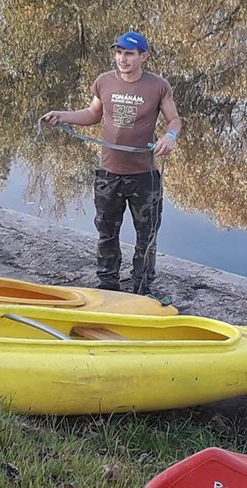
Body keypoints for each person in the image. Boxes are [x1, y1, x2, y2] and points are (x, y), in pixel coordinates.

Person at [42, 30, 182, 302]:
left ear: (144, 56)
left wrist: (170, 136)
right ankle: (108, 286)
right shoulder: (103, 82)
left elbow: (174, 120)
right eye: (119, 52)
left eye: (129, 54)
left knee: (147, 237)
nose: (122, 58)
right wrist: (63, 116)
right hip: (109, 175)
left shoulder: (158, 86)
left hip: (144, 177)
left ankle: (143, 289)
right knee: (106, 233)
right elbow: (93, 114)